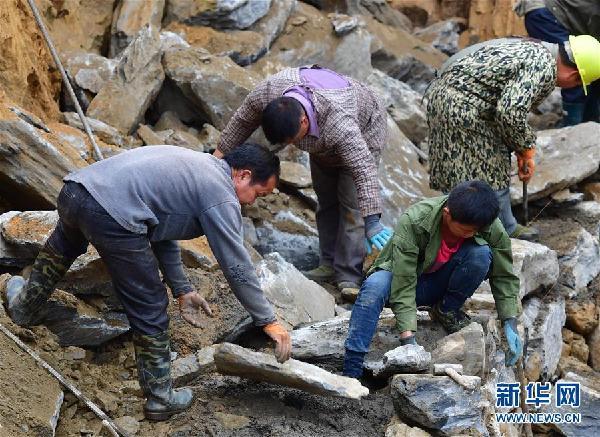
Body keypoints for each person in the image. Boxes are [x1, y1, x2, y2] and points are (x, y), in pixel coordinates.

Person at [1, 144, 292, 421]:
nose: (253, 202)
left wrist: (183, 289)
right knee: (150, 303)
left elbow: (159, 230)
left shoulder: (196, 166)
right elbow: (236, 265)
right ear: (243, 175)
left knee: (61, 248)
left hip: (76, 191)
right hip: (110, 214)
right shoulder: (220, 193)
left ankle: (25, 306)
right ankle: (160, 399)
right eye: (258, 194)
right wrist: (268, 321)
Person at [214, 65, 391, 294]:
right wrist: (217, 158)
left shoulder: (339, 121)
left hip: (365, 130)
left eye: (291, 140)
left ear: (304, 122)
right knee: (326, 198)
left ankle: (348, 276)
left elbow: (363, 169)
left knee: (351, 205)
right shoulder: (270, 91)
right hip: (322, 144)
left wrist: (372, 221)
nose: (289, 146)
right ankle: (328, 264)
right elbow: (243, 120)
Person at [425, 35, 600, 241]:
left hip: (446, 99)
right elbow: (510, 112)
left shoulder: (534, 48)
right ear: (574, 75)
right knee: (490, 168)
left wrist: (518, 148)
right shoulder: (543, 66)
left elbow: (505, 108)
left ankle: (465, 227)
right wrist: (526, 147)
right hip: (464, 108)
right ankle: (494, 231)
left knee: (458, 167)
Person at [342, 180, 523, 378]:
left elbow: (504, 274)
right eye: (466, 230)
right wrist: (408, 340)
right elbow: (404, 281)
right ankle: (352, 368)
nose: (472, 234)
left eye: (476, 230)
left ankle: (446, 310)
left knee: (481, 255)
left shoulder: (486, 224)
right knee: (374, 287)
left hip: (439, 285)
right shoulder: (415, 220)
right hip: (402, 283)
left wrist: (510, 322)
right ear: (447, 214)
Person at [515, 0, 600, 125]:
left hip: (567, 16)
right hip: (547, 12)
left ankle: (590, 124)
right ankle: (572, 128)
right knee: (576, 69)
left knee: (592, 70)